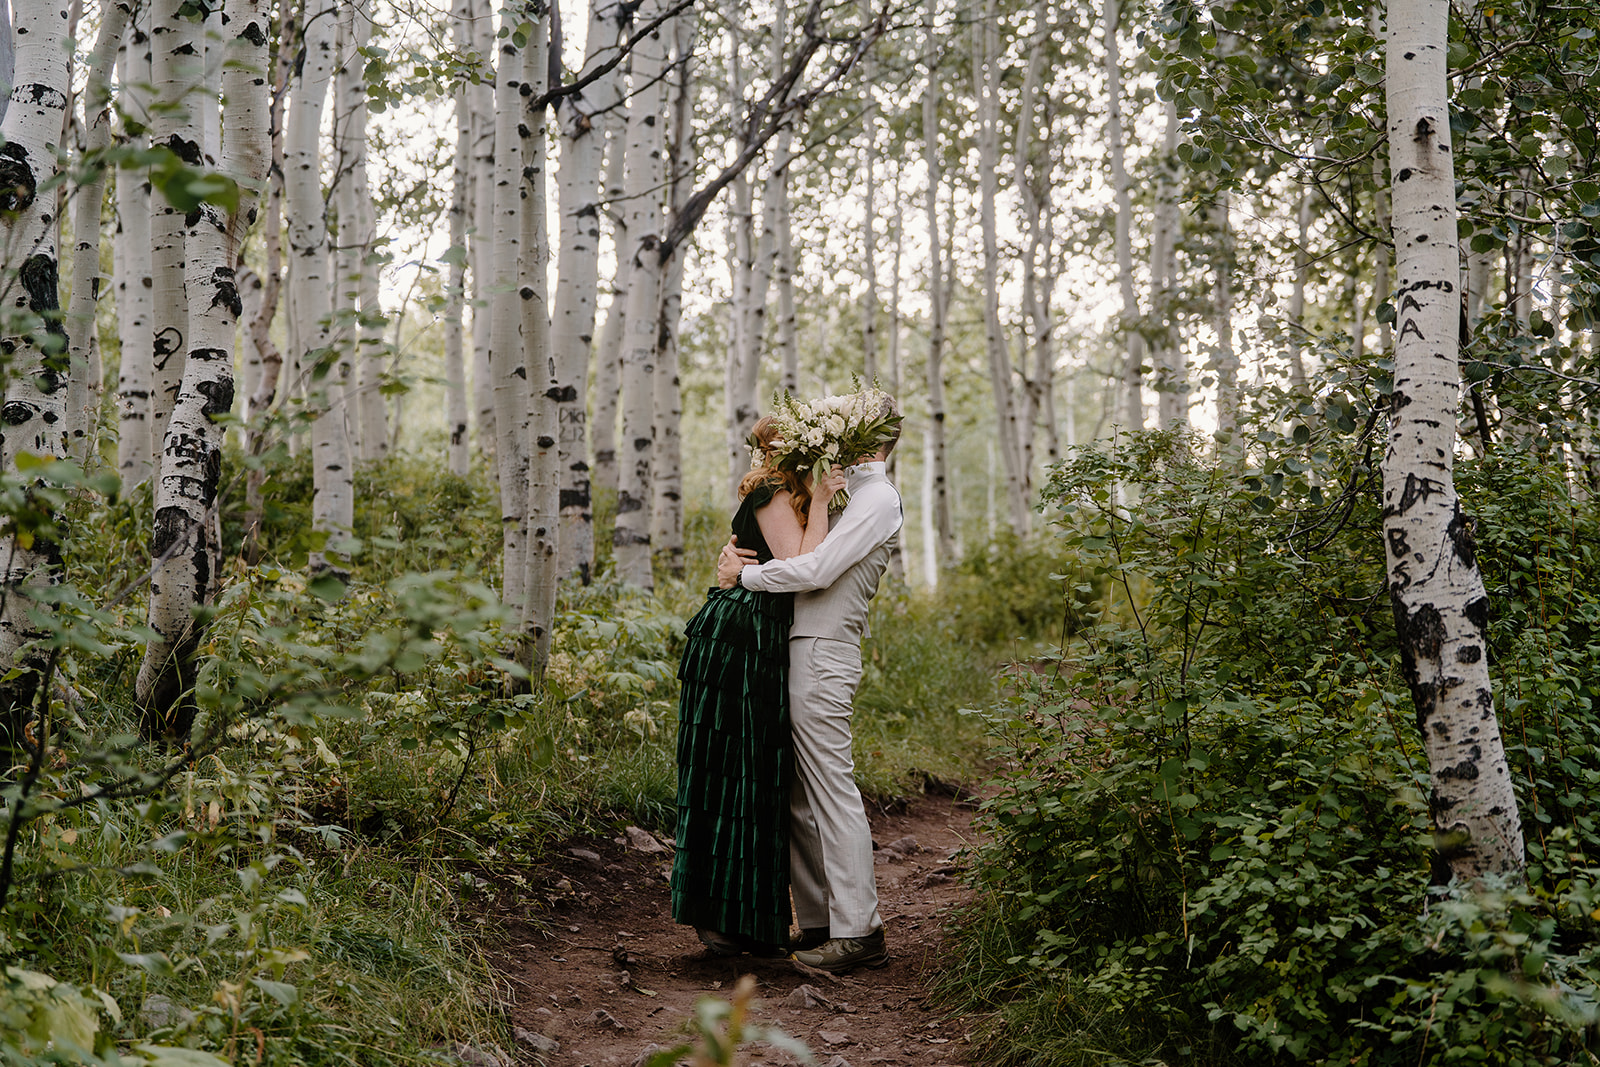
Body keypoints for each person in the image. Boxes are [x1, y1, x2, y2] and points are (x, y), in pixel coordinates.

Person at [715, 395, 903, 973]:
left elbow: (816, 570)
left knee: (830, 790)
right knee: (798, 793)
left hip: (824, 652)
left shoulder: (877, 498)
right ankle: (819, 918)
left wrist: (741, 574)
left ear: (870, 435)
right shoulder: (853, 493)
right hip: (801, 649)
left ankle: (860, 930)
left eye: (840, 418)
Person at [670, 416, 846, 956]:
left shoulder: (788, 492)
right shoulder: (774, 489)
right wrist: (818, 504)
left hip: (759, 638)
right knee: (732, 772)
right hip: (739, 639)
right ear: (782, 448)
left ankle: (747, 921)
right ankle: (720, 921)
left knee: (756, 774)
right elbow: (800, 564)